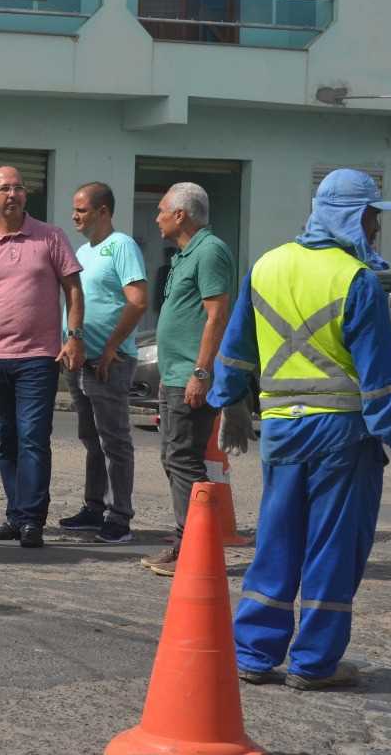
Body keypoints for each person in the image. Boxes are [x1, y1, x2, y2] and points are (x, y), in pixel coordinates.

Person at [210, 169, 391, 690]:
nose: (376, 228)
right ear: (352, 216)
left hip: (282, 431)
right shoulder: (356, 280)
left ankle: (254, 654)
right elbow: (378, 378)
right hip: (341, 436)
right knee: (332, 547)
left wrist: (229, 403)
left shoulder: (266, 266)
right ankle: (313, 663)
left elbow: (236, 347)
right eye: (373, 215)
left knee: (277, 540)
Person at [0, 165, 85, 549]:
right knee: (6, 438)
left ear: (26, 195)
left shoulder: (51, 237)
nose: (12, 194)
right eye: (4, 188)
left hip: (38, 357)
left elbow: (73, 290)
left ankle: (31, 520)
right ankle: (15, 515)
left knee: (33, 438)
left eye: (18, 188)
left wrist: (74, 336)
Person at [141, 182, 235, 576]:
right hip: (174, 374)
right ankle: (189, 542)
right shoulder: (184, 255)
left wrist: (201, 372)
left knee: (184, 459)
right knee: (174, 458)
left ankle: (195, 548)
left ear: (181, 214)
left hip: (190, 377)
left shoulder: (210, 251)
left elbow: (217, 316)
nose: (156, 216)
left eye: (161, 210)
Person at [57, 182, 148, 544]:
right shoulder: (85, 250)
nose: (75, 216)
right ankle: (94, 507)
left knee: (114, 441)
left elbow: (138, 300)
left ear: (103, 212)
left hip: (108, 361)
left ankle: (119, 515)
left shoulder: (120, 246)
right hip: (80, 359)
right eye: (75, 209)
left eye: (81, 209)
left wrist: (111, 347)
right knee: (90, 438)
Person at [153, 246, 176, 316]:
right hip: (163, 302)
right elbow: (158, 288)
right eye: (167, 256)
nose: (169, 258)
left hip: (174, 303)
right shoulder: (162, 270)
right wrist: (157, 305)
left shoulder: (176, 269)